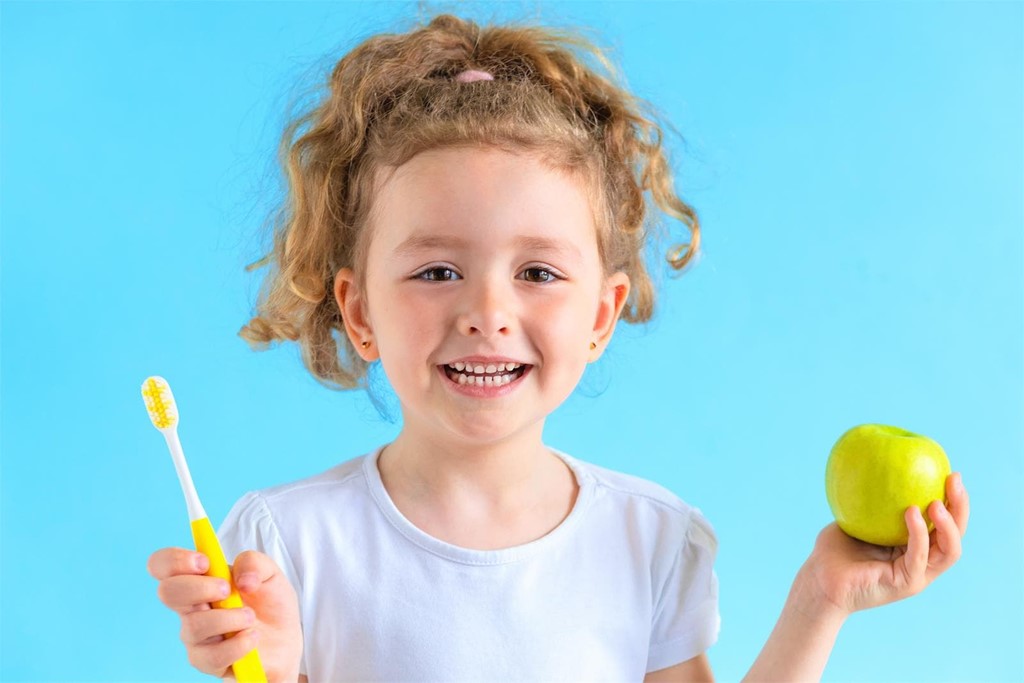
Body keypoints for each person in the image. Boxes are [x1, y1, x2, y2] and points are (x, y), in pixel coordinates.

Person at [146, 13, 969, 682]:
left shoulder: (650, 539)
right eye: (437, 269)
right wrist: (273, 671)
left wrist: (819, 600)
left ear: (602, 315)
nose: (487, 310)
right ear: (359, 313)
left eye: (538, 270)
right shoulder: (288, 543)